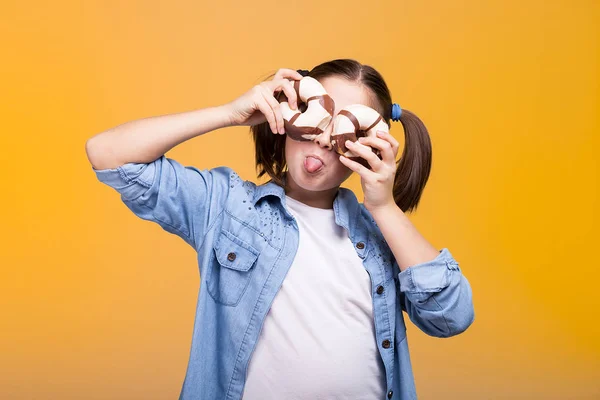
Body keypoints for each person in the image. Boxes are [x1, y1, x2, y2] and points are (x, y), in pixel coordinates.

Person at [85, 60, 475, 400]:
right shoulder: (226, 207)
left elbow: (451, 317)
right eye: (315, 116)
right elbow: (108, 154)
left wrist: (385, 206)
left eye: (345, 131)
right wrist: (229, 113)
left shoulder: (383, 236)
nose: (323, 139)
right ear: (288, 114)